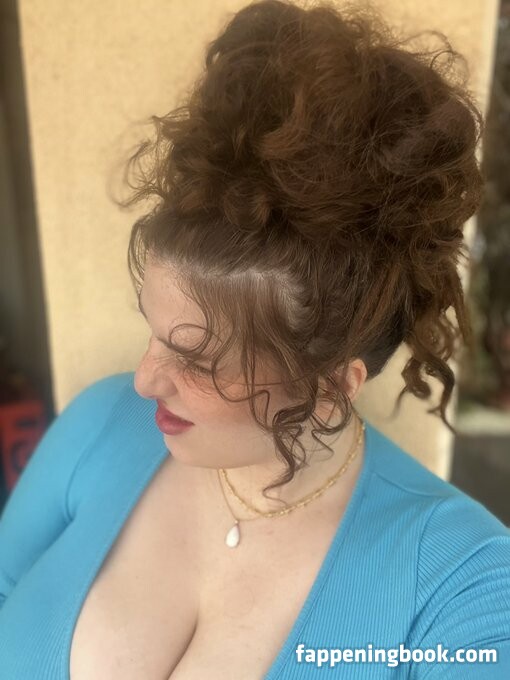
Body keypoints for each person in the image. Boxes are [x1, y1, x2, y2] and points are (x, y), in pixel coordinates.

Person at [1, 0, 509, 678]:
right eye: (153, 331)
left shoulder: (464, 587)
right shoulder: (101, 423)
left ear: (332, 384)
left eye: (197, 359)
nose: (145, 379)